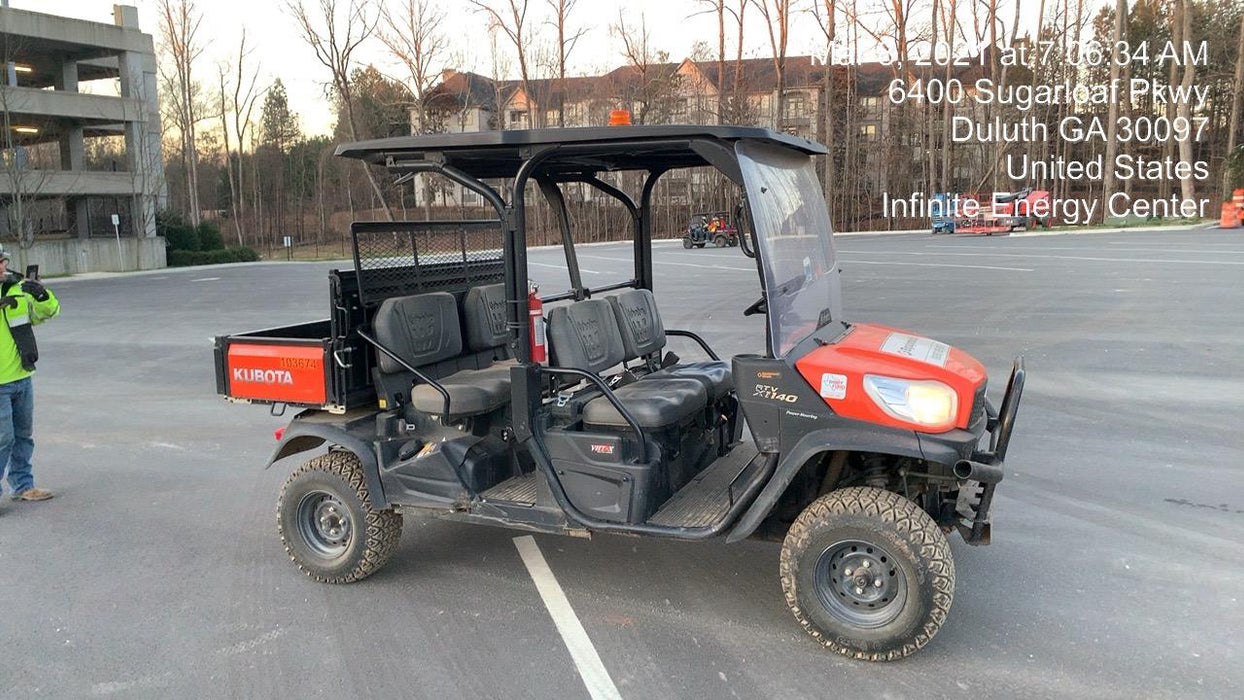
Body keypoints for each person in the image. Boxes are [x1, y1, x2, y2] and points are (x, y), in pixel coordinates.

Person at [0, 249, 59, 502]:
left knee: (23, 435)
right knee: (3, 438)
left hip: (21, 376)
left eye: (3, 262)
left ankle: (23, 485)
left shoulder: (16, 290)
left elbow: (48, 312)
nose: (3, 267)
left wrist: (42, 295)